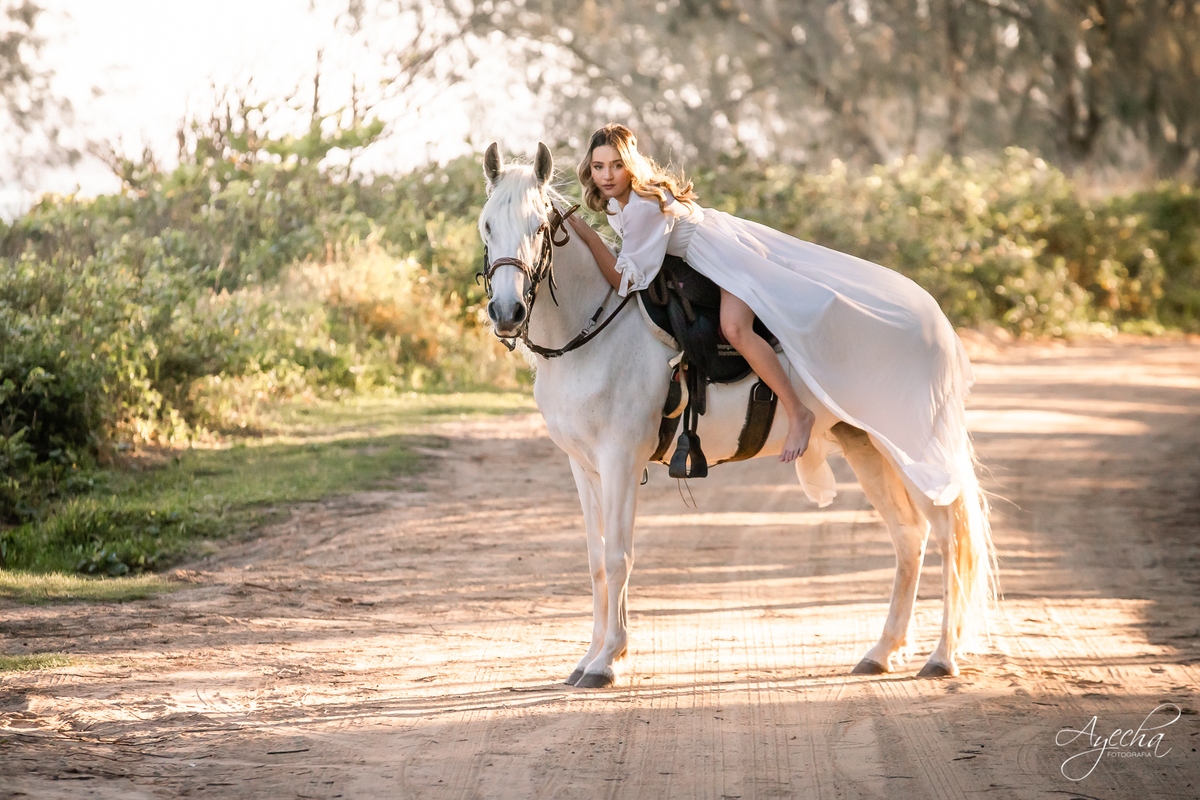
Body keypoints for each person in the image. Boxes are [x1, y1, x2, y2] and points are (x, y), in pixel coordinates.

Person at [565, 124, 974, 505]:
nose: (607, 175)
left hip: (722, 257)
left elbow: (624, 281)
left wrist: (583, 233)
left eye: (617, 165)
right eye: (599, 166)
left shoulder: (640, 205)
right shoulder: (619, 203)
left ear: (630, 165)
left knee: (735, 328)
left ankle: (798, 412)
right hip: (708, 253)